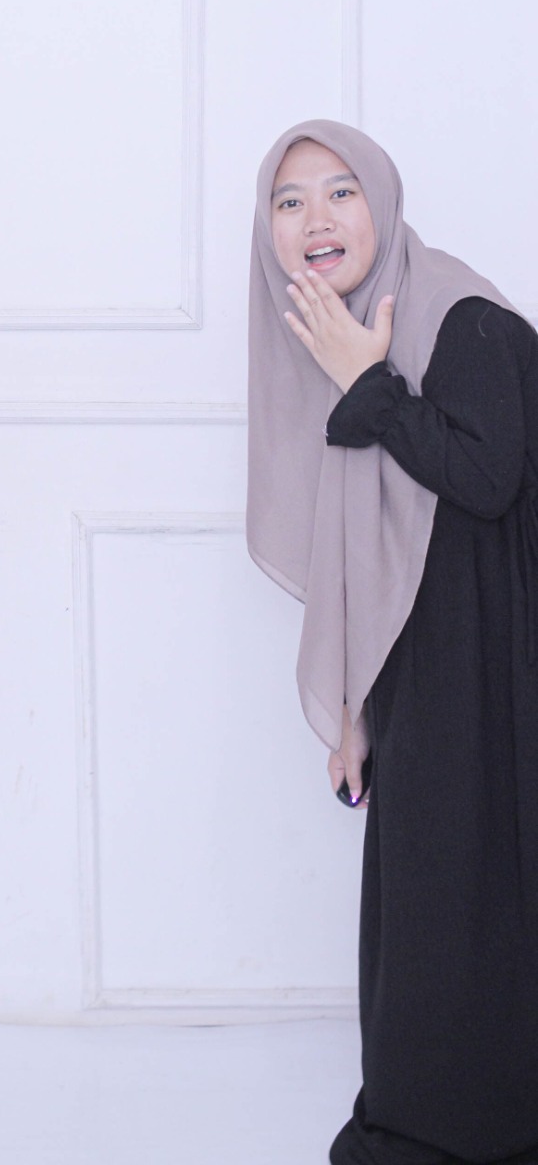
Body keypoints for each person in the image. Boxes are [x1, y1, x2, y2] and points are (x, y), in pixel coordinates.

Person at [247, 119, 538, 1165]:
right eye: (288, 201)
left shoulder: (461, 317)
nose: (315, 219)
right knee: (424, 915)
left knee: (477, 911)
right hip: (425, 672)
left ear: (382, 200)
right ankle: (427, 1121)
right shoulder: (334, 334)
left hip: (503, 669)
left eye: (340, 192)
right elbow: (364, 547)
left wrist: (370, 385)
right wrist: (355, 709)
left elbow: (487, 479)